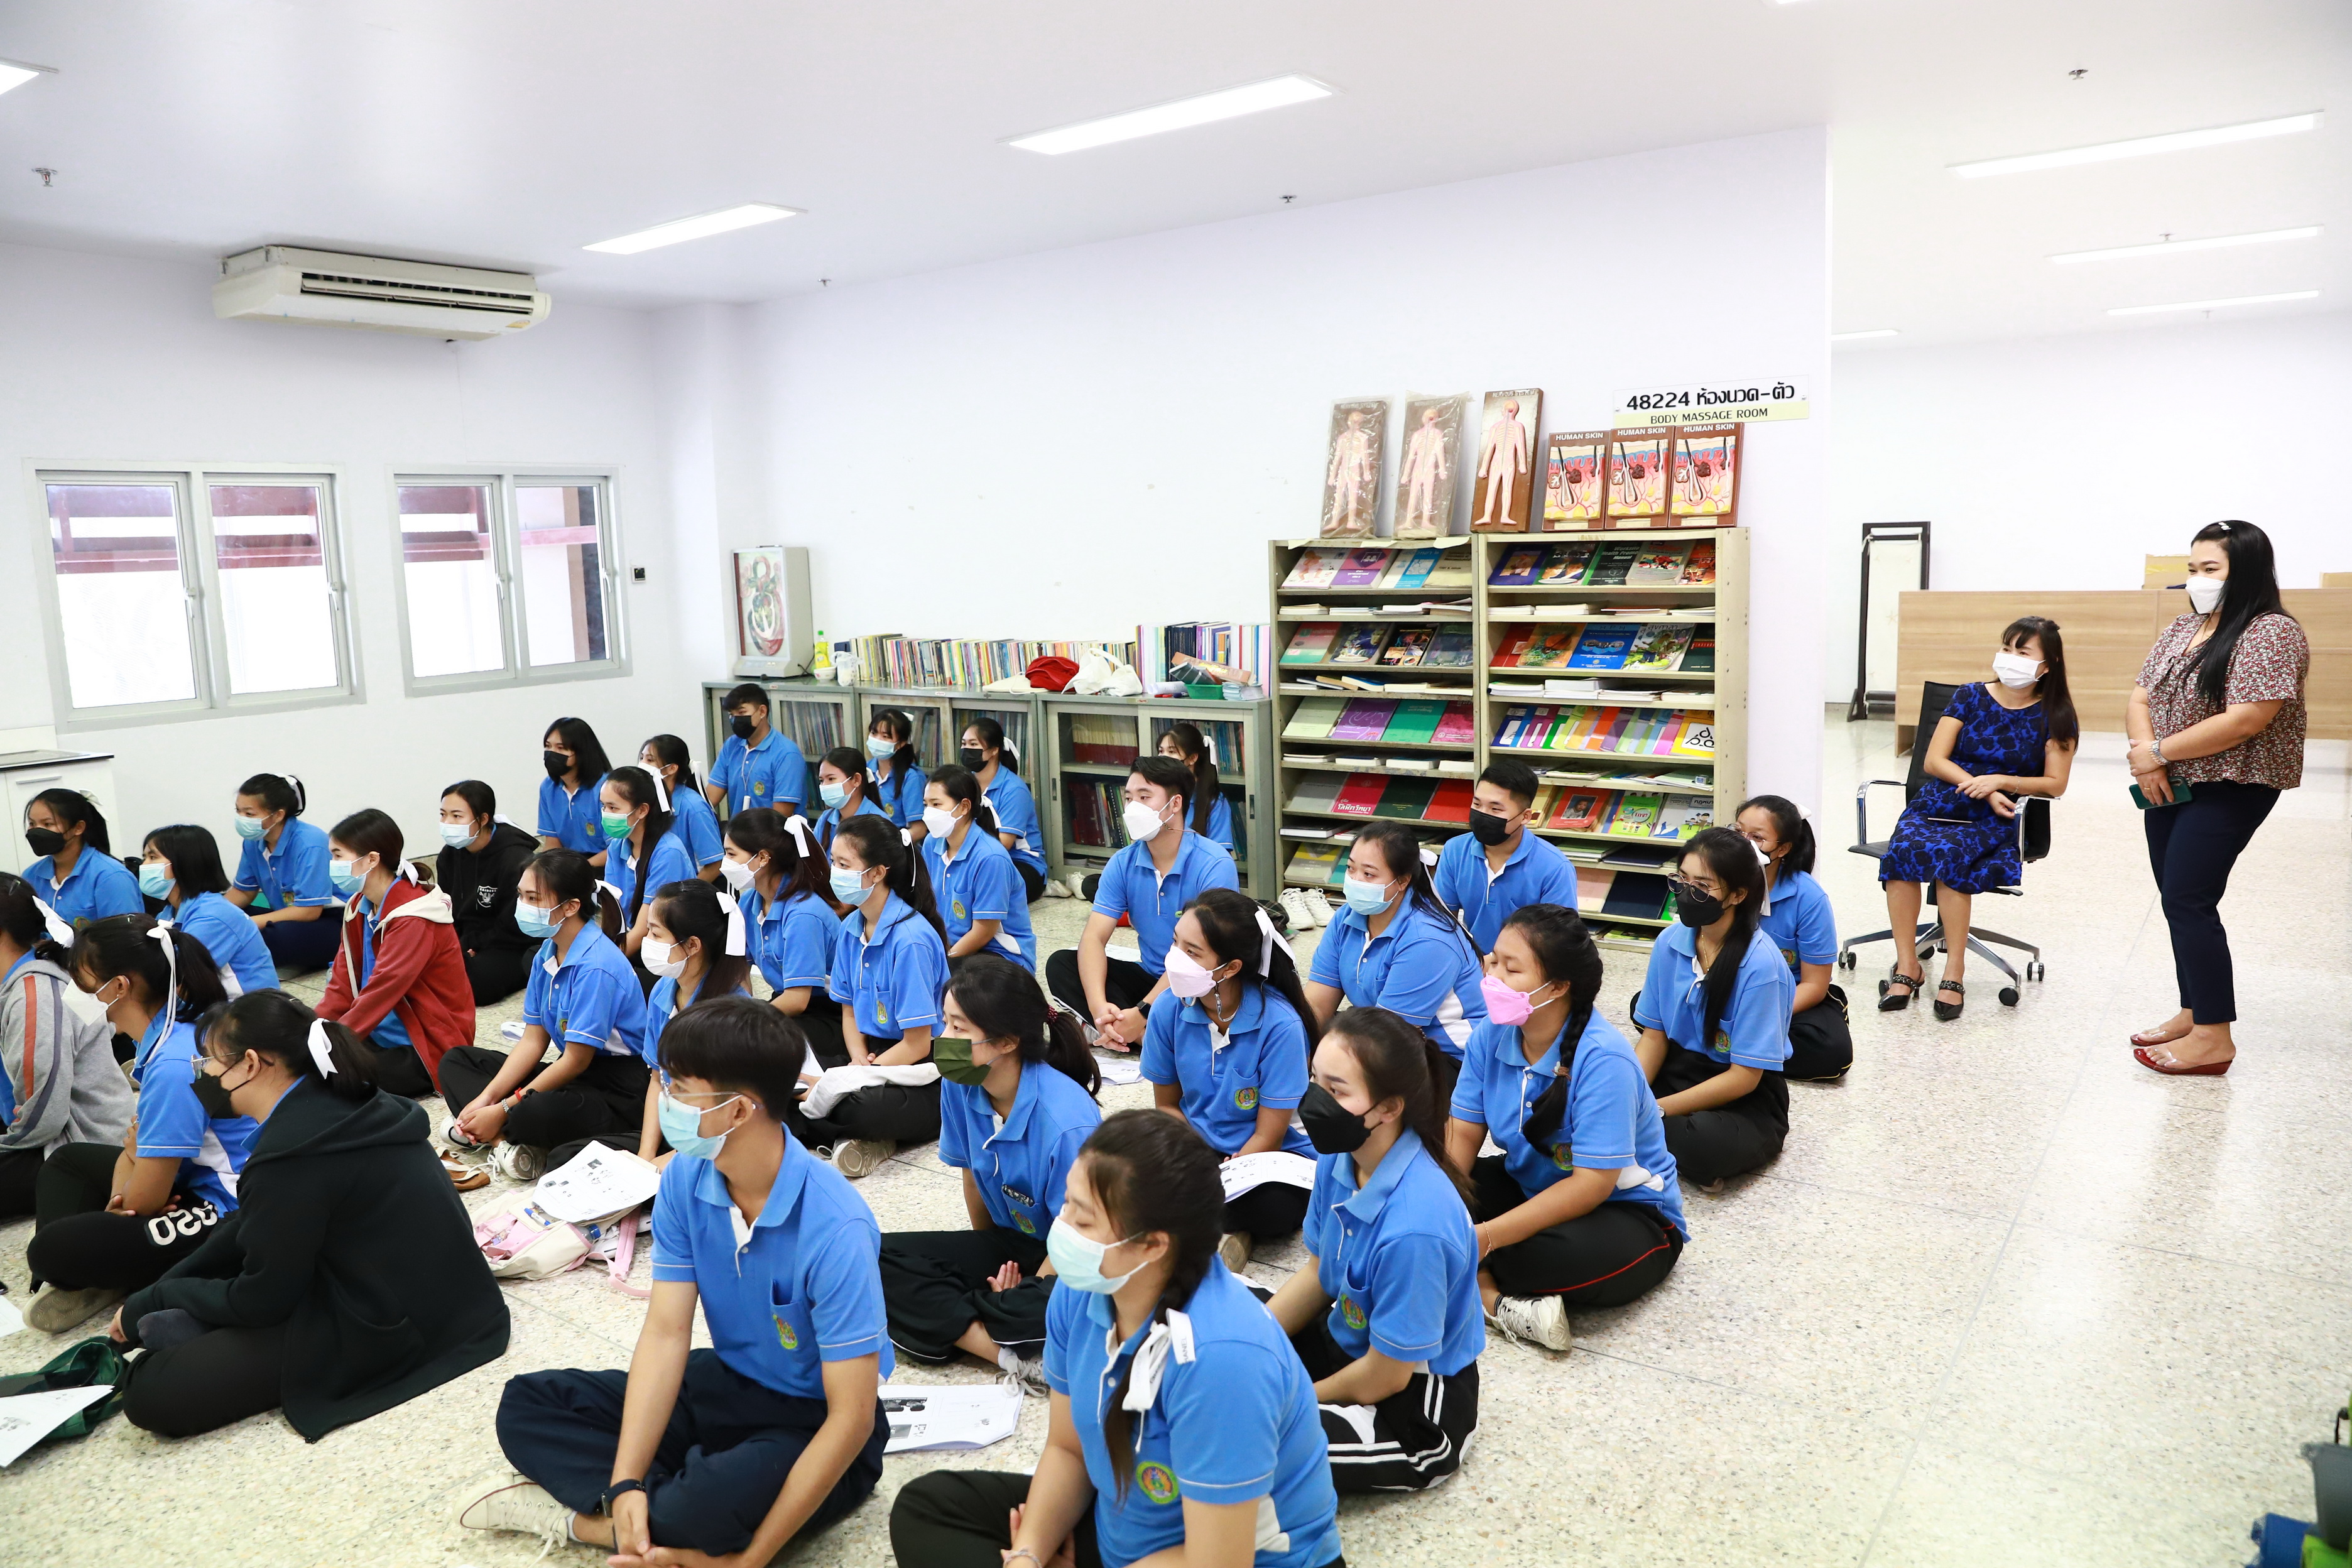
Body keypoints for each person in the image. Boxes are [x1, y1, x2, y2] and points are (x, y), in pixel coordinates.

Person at [469, 998, 888, 1562]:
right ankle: (648, 1510)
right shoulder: (686, 1179)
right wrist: (626, 1483)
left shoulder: (835, 1226)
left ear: (739, 1111)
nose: (666, 1101)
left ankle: (592, 1521)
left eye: (681, 1089)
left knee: (701, 1508)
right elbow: (667, 1333)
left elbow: (852, 1418)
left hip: (813, 1420)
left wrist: (750, 1562)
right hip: (729, 1383)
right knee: (530, 1403)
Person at [887, 1109, 1343, 1568]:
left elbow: (1217, 1560)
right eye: (1067, 1204)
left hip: (1228, 1558)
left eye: (1083, 1222)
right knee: (928, 1507)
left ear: (1154, 1245)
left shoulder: (1223, 1358)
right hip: (1126, 1530)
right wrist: (1028, 1554)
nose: (1063, 1228)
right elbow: (1068, 1450)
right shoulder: (1080, 1291)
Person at [107, 990, 509, 1439]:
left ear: (251, 1064)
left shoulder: (288, 1156)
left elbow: (263, 1299)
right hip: (460, 1305)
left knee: (151, 1392)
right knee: (212, 1282)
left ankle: (191, 1328)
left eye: (210, 1064)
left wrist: (159, 1297)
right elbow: (252, 1226)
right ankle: (191, 1324)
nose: (205, 1077)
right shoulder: (348, 1100)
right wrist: (161, 1291)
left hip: (391, 1328)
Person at [1265, 1006, 1484, 1492]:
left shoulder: (1416, 1229)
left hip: (1413, 1404)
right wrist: (1251, 1338)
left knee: (1248, 1444)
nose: (1314, 1100)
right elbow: (1318, 1275)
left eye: (1336, 1091)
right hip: (1349, 1341)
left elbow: (1386, 1377)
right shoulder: (1342, 1157)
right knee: (1220, 1322)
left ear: (1389, 1108)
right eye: (1314, 1080)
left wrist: (1294, 1402)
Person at [1449, 904, 1685, 1354]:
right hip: (1532, 1184)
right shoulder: (1490, 1035)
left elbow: (1590, 1187)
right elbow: (1462, 1134)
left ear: (1557, 987)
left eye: (1511, 968)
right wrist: (1438, 1202)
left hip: (1627, 1214)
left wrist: (1487, 1236)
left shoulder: (1604, 1060)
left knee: (1549, 1257)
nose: (1492, 976)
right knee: (1427, 1188)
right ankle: (1489, 1295)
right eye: (1493, 961)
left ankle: (1470, 1274)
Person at [2126, 521, 2310, 1075]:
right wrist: (2148, 755)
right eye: (2192, 569)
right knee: (2174, 896)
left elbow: (2247, 720)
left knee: (2189, 898)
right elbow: (2141, 696)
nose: (2197, 580)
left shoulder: (2271, 632)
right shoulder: (2184, 626)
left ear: (2246, 572)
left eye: (2211, 569)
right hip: (2167, 777)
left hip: (2233, 781)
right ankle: (2194, 1009)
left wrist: (2157, 751)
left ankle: (2214, 1037)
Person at [878, 954, 1102, 1386]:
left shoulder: (1067, 1123)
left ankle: (978, 1317)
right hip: (1016, 1243)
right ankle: (1008, 1355)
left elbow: (1079, 1234)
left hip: (1075, 1256)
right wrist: (986, 1258)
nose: (943, 1038)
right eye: (946, 1022)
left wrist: (1026, 1292)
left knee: (1048, 1310)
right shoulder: (961, 1083)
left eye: (959, 1028)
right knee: (871, 1256)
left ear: (1006, 1042)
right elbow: (971, 1176)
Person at [23, 917, 251, 1333]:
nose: (75, 992)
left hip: (233, 1212)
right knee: (68, 1162)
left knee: (51, 1250)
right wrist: (126, 1194)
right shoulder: (173, 1032)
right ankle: (109, 1266)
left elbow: (143, 1198)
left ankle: (109, 1273)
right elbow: (137, 1172)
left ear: (120, 987)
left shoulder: (173, 1064)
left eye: (83, 982)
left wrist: (132, 1176)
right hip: (190, 1178)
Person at [1876, 616, 2077, 1021]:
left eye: (2023, 652)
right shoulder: (1968, 696)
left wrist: (2000, 783)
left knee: (1954, 858)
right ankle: (1908, 965)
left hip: (2000, 812)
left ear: (2047, 665)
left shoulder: (2057, 715)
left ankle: (1955, 971)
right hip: (1942, 799)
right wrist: (1978, 785)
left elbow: (2055, 784)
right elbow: (1934, 761)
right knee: (1903, 852)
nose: (2010, 658)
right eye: (2007, 648)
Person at [436, 851, 650, 1184]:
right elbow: (533, 1041)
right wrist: (488, 1098)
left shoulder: (597, 967)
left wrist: (504, 1108)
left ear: (571, 906)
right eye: (521, 895)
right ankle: (502, 1141)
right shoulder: (547, 953)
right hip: (575, 1075)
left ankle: (498, 1133)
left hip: (618, 1089)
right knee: (458, 1061)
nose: (522, 905)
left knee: (534, 1112)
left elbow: (576, 1061)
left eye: (533, 898)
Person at [1142, 887, 1319, 1272]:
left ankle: (1201, 1219)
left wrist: (1223, 1175)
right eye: (1176, 943)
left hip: (1265, 1157)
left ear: (1231, 968)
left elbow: (1269, 1136)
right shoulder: (1168, 1009)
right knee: (1126, 1162)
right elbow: (1167, 1107)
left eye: (1193, 952)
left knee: (1273, 1209)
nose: (1175, 959)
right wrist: (1191, 1160)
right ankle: (1210, 1220)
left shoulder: (1280, 1025)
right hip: (1198, 1146)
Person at [1633, 828, 1793, 1189]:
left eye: (1703, 886)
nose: (1686, 893)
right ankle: (1648, 1140)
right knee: (1596, 1097)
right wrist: (1631, 1095)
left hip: (1741, 1096)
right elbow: (1654, 1038)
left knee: (1705, 1143)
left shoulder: (1762, 966)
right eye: (1682, 880)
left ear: (1738, 895)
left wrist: (1655, 1111)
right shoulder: (1669, 942)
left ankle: (1645, 1140)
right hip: (1677, 1072)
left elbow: (1744, 1078)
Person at [1045, 754, 1240, 1050]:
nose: (1132, 807)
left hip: (1199, 981)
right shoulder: (1123, 862)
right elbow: (1094, 938)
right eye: (1128, 798)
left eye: (1144, 797)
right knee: (1062, 964)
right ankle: (1126, 1031)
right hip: (1151, 977)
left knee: (1204, 998)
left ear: (1175, 804)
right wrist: (1098, 1009)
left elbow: (1199, 957)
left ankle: (1140, 1031)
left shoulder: (1213, 863)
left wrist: (1143, 1011)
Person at [797, 816, 952, 1177]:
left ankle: (866, 1131)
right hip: (875, 1055)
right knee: (780, 1075)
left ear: (878, 873)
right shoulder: (851, 927)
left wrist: (854, 1078)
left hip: (927, 1066)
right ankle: (858, 1134)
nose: (834, 873)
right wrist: (857, 1063)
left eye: (844, 865)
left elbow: (917, 1045)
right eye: (833, 862)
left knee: (861, 1108)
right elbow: (849, 1011)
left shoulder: (910, 940)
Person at [1303, 820, 1486, 1094]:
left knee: (1343, 1090)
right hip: (1380, 1030)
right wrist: (1296, 1057)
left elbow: (1388, 1040)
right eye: (1351, 868)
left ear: (1402, 881)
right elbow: (1317, 1005)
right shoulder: (1346, 917)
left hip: (1447, 1056)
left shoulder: (1428, 940)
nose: (1355, 880)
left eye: (1369, 874)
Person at [313, 809, 474, 1099]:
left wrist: (333, 1045)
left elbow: (382, 992)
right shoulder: (359, 907)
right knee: (312, 1067)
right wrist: (313, 1031)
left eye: (338, 856)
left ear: (372, 860)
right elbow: (342, 982)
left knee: (331, 1077)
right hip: (374, 1033)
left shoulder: (413, 917)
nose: (332, 865)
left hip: (426, 1045)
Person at [0, 873, 133, 1219]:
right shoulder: (24, 980)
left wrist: (5, 1149)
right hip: (41, 1134)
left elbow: (46, 1116)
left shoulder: (35, 994)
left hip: (76, 1150)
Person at [618, 879, 754, 1168]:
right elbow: (658, 1080)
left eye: (656, 934)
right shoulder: (662, 991)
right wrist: (646, 1157)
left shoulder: (731, 1014)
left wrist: (664, 1163)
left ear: (692, 945)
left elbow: (727, 1114)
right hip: (678, 1123)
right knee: (575, 1155)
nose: (646, 941)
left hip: (723, 1136)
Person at [1736, 795, 1851, 1082]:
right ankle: (1747, 1053)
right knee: (1646, 1009)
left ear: (1783, 848)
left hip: (1786, 997)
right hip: (1728, 988)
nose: (1743, 843)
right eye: (1738, 831)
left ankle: (1729, 1053)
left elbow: (1814, 985)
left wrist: (1758, 1012)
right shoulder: (1718, 880)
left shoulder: (1809, 897)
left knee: (1831, 1051)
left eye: (1757, 837)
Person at [725, 808, 849, 1064]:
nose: (725, 862)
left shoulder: (804, 913)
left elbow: (798, 999)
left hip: (830, 1016)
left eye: (731, 854)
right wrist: (742, 1009)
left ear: (762, 858)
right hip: (786, 1004)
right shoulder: (749, 901)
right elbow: (739, 969)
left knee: (751, 1045)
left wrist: (747, 1021)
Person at [1431, 759, 1581, 954]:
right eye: (1477, 804)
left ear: (1525, 817)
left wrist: (1500, 965)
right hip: (1472, 960)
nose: (1482, 814)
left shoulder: (1555, 868)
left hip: (1526, 966)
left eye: (1496, 809)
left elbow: (1558, 942)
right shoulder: (1455, 850)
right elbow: (1443, 921)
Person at [435, 780, 542, 1006]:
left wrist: (472, 945)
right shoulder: (449, 855)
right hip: (469, 939)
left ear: (483, 819)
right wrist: (456, 944)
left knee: (476, 984)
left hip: (510, 943)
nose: (447, 823)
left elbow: (514, 924)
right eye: (443, 815)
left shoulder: (515, 859)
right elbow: (444, 907)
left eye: (457, 816)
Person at [139, 824, 277, 997]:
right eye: (145, 857)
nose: (144, 865)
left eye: (153, 857)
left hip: (246, 1009)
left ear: (185, 862)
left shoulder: (213, 916)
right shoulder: (169, 912)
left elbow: (179, 980)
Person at [921, 765, 1037, 971]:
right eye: (926, 805)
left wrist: (943, 962)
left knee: (953, 980)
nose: (929, 813)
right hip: (954, 948)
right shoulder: (931, 844)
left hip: (998, 955)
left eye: (936, 804)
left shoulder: (991, 857)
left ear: (964, 807)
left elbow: (984, 932)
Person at [224, 773, 342, 973]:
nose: (242, 819)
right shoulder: (253, 841)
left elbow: (310, 911)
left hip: (330, 920)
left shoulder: (310, 843)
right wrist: (211, 914)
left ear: (278, 815)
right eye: (239, 811)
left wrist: (247, 924)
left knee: (274, 936)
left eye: (249, 814)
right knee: (226, 913)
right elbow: (243, 892)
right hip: (289, 916)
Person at [602, 765, 697, 961]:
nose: (606, 813)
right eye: (603, 806)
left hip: (667, 950)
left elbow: (644, 929)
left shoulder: (668, 853)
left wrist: (606, 963)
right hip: (632, 943)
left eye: (613, 808)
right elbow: (611, 910)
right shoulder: (617, 847)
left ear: (642, 810)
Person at [24, 787, 143, 932]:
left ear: (78, 828)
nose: (36, 831)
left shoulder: (112, 877)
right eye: (32, 824)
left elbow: (126, 938)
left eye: (48, 824)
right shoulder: (31, 876)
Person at [963, 716, 1050, 902]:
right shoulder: (964, 783)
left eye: (973, 744)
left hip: (1020, 864)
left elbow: (1003, 845)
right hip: (978, 858)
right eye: (964, 744)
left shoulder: (1014, 789)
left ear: (994, 750)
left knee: (983, 883)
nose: (967, 750)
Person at [707, 682, 811, 820]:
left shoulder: (787, 754)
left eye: (742, 712)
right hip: (738, 830)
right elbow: (711, 797)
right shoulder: (732, 745)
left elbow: (780, 816)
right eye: (732, 715)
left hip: (775, 831)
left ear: (762, 712)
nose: (735, 719)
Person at [641, 733, 724, 880]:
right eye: (642, 758)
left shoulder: (694, 808)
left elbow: (715, 864)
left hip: (692, 888)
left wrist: (687, 892)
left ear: (671, 768)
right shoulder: (650, 801)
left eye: (650, 760)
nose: (642, 764)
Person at [537, 716, 613, 863]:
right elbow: (553, 844)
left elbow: (616, 848)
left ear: (581, 752)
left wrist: (581, 870)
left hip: (605, 863)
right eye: (548, 746)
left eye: (561, 748)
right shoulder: (548, 787)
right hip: (572, 863)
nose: (552, 753)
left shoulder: (607, 788)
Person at [1157, 721, 1234, 855]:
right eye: (1161, 751)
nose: (1164, 758)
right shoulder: (1157, 794)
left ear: (1192, 758)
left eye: (1172, 751)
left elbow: (1220, 855)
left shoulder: (1215, 802)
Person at [812, 746, 891, 866]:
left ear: (856, 780)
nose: (824, 786)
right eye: (822, 780)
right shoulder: (826, 819)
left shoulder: (879, 823)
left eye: (831, 779)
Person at [865, 707, 929, 839]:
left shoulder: (912, 778)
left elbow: (919, 829)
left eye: (885, 736)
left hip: (897, 844)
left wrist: (891, 846)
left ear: (901, 744)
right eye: (874, 733)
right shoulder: (865, 769)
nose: (877, 740)